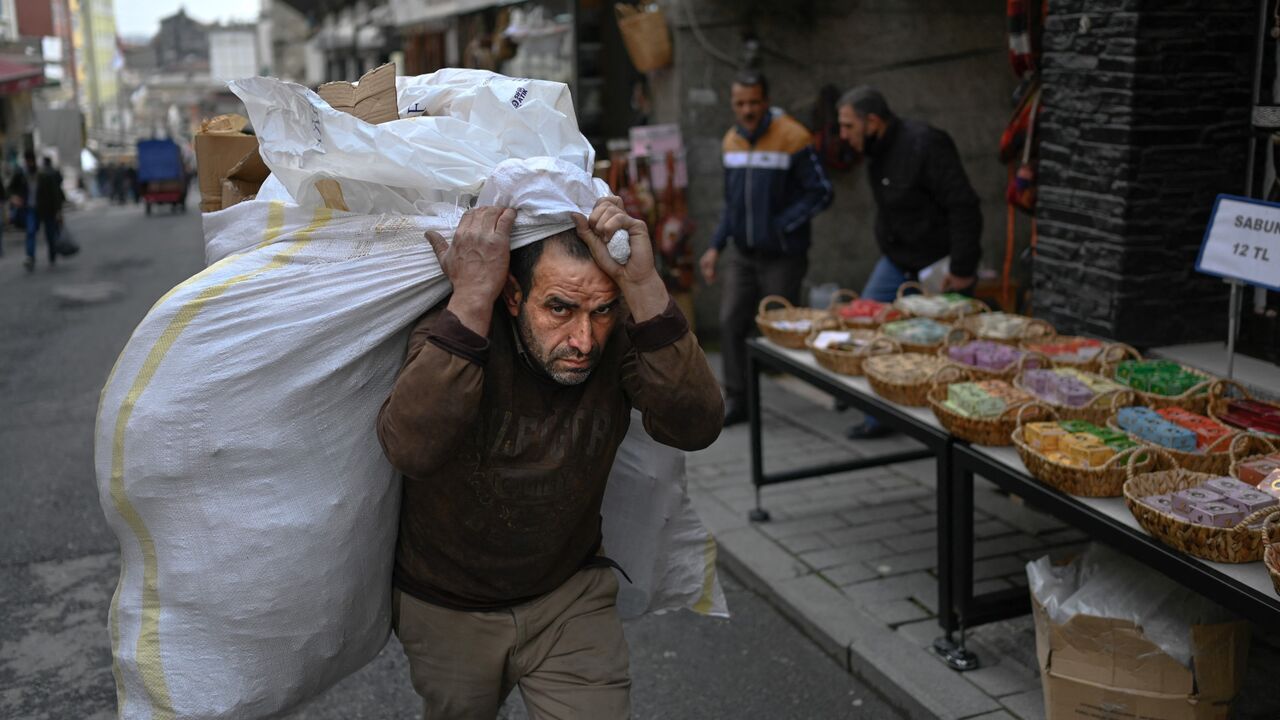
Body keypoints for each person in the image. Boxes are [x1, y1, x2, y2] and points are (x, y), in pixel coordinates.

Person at [376, 197, 723, 719]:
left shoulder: (618, 341)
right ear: (513, 295)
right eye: (559, 308)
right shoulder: (457, 333)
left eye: (601, 311)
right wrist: (471, 299)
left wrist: (643, 287)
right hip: (450, 608)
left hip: (570, 595)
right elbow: (410, 448)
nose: (583, 340)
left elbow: (696, 425)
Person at [837, 86, 983, 439]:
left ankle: (964, 426)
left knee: (944, 346)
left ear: (872, 122)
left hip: (939, 263)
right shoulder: (876, 150)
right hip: (896, 260)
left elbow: (964, 205)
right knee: (866, 328)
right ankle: (878, 415)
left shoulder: (925, 144)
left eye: (848, 126)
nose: (843, 136)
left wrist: (962, 269)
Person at [700, 71, 834, 426]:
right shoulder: (732, 141)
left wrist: (780, 226)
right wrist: (715, 246)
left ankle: (826, 392)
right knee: (730, 321)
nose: (747, 110)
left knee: (780, 330)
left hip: (783, 255)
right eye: (740, 103)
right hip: (743, 255)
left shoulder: (793, 137)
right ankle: (738, 400)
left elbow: (821, 191)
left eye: (753, 102)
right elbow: (731, 205)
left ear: (766, 101)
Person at [9, 152, 64, 271]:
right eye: (27, 162)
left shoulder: (44, 176)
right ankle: (30, 257)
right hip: (30, 209)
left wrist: (58, 211)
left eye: (31, 161)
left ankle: (52, 254)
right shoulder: (21, 176)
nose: (29, 164)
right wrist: (14, 197)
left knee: (50, 234)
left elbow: (55, 195)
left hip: (47, 209)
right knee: (30, 232)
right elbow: (10, 188)